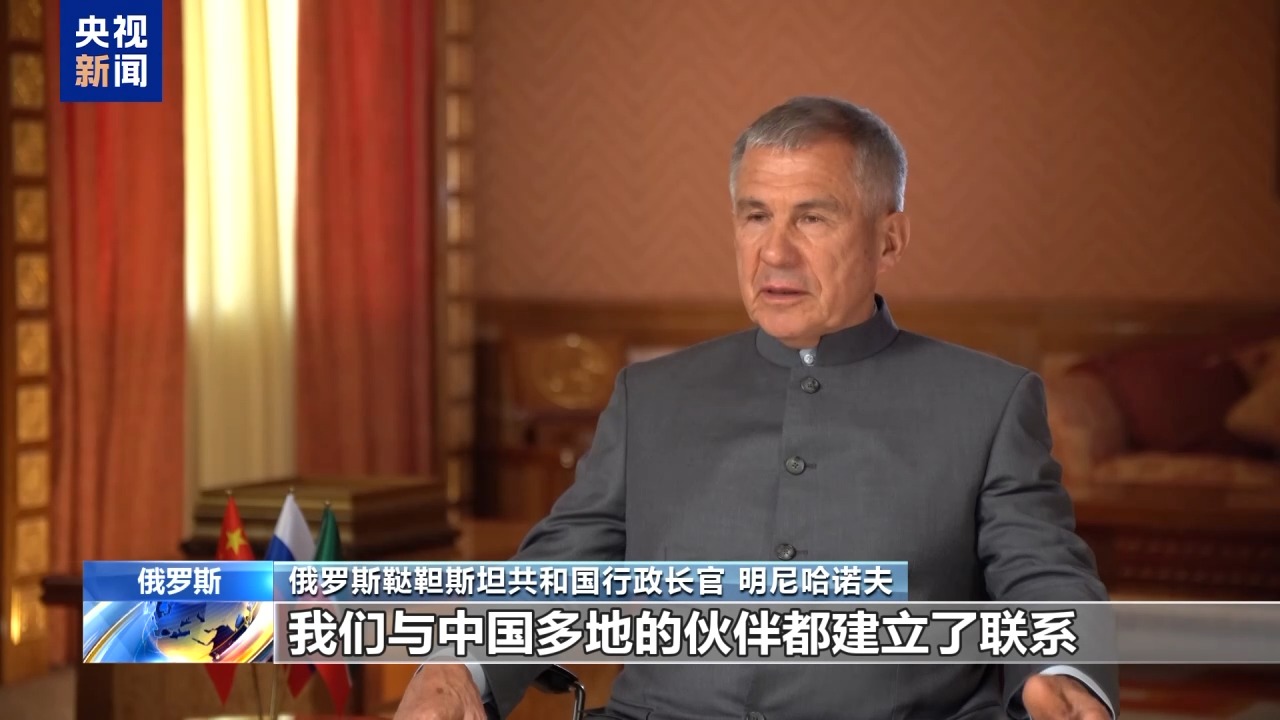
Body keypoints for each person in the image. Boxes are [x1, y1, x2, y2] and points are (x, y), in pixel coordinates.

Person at [396, 96, 1116, 720]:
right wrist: (461, 668)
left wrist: (1063, 673)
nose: (774, 252)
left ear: (889, 240)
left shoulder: (989, 401)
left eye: (813, 218)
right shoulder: (652, 396)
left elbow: (1042, 572)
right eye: (755, 216)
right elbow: (562, 566)